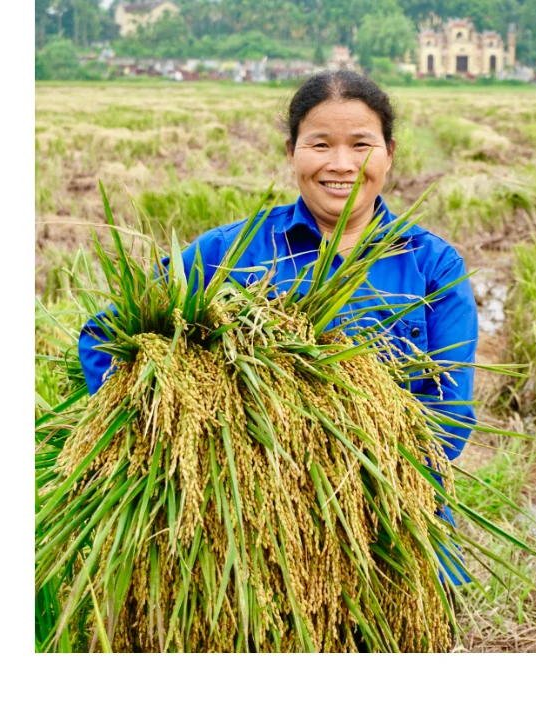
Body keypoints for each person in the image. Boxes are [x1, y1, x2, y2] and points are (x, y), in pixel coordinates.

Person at [78, 70, 478, 584]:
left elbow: (449, 415)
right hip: (242, 538)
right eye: (320, 144)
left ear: (390, 152)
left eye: (361, 144)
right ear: (291, 151)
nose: (341, 164)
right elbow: (106, 335)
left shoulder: (434, 266)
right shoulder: (231, 251)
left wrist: (351, 492)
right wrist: (160, 439)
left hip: (393, 531)